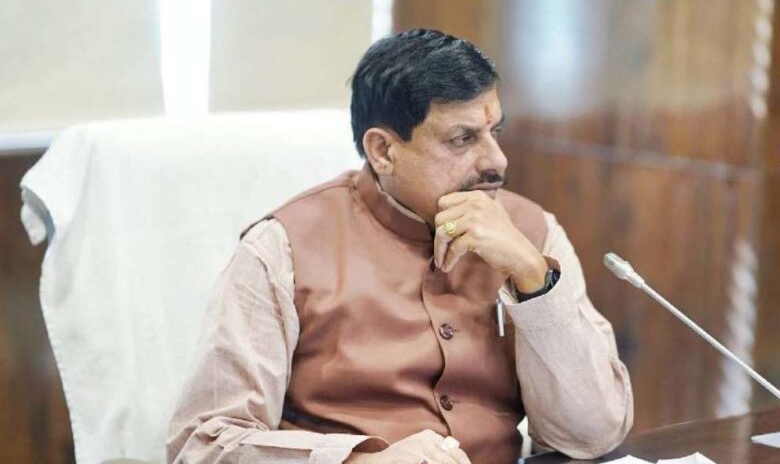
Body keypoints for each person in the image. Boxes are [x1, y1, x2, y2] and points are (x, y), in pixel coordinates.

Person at [167, 29, 633, 464]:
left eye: (495, 132)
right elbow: (203, 443)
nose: (497, 160)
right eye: (463, 139)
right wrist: (359, 461)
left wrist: (533, 278)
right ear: (383, 151)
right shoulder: (282, 248)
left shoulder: (532, 233)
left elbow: (594, 435)